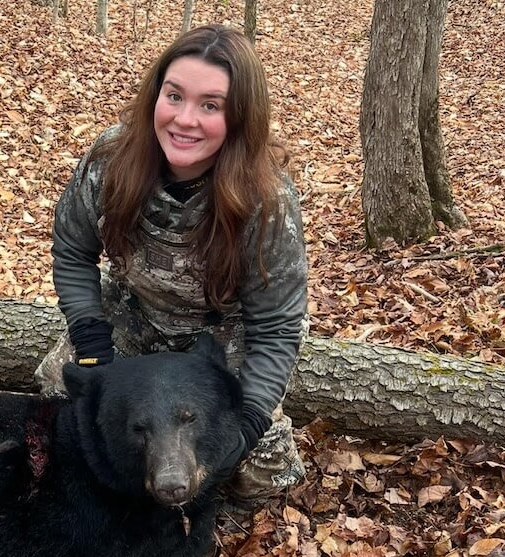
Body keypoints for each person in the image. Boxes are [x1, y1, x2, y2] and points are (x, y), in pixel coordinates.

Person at [35, 24, 308, 504]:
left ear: (240, 116)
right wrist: (94, 346)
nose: (185, 120)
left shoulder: (268, 200)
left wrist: (245, 427)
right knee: (64, 392)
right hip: (135, 312)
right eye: (174, 96)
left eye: (211, 105)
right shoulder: (110, 159)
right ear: (155, 95)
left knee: (262, 469)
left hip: (224, 336)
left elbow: (277, 329)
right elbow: (73, 252)